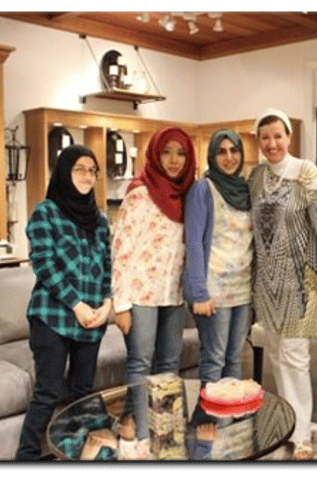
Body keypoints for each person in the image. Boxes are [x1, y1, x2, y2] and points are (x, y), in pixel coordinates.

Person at [248, 108, 317, 460]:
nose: (272, 143)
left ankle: (301, 433)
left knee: (296, 356)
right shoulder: (256, 176)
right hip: (266, 281)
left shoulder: (306, 172)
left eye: (278, 136)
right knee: (276, 354)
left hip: (299, 281)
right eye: (265, 137)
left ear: (289, 137)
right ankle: (289, 423)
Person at [15, 145, 113, 460]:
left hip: (91, 320)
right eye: (79, 169)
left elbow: (108, 268)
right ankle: (27, 456)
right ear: (63, 172)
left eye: (92, 170)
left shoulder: (100, 220)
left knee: (83, 393)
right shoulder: (46, 212)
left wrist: (107, 305)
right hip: (52, 317)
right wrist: (77, 304)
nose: (87, 176)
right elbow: (44, 264)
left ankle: (76, 455)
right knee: (47, 393)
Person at [111, 127, 196, 459]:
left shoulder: (187, 195)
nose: (174, 160)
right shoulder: (139, 194)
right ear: (155, 155)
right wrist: (120, 305)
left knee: (170, 364)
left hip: (173, 294)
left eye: (181, 153)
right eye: (167, 152)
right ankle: (144, 438)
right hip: (140, 294)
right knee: (140, 363)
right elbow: (121, 250)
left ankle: (167, 435)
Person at [184, 129, 253, 382]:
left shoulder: (246, 190)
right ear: (212, 156)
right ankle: (207, 408)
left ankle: (229, 408)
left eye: (234, 150)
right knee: (214, 359)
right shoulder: (202, 189)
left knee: (235, 358)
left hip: (243, 289)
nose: (229, 157)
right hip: (213, 292)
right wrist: (199, 293)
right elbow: (193, 243)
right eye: (221, 152)